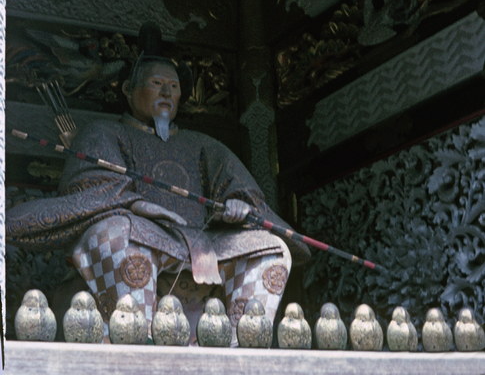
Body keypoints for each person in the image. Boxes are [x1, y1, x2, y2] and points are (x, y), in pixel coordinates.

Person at [7, 28, 310, 344]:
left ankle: (238, 341)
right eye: (156, 83)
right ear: (129, 89)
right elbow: (91, 188)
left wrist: (238, 205)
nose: (166, 92)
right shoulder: (103, 133)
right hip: (142, 234)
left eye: (174, 87)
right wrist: (137, 205)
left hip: (206, 244)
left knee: (269, 246)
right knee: (114, 233)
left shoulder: (203, 145)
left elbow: (240, 190)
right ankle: (136, 336)